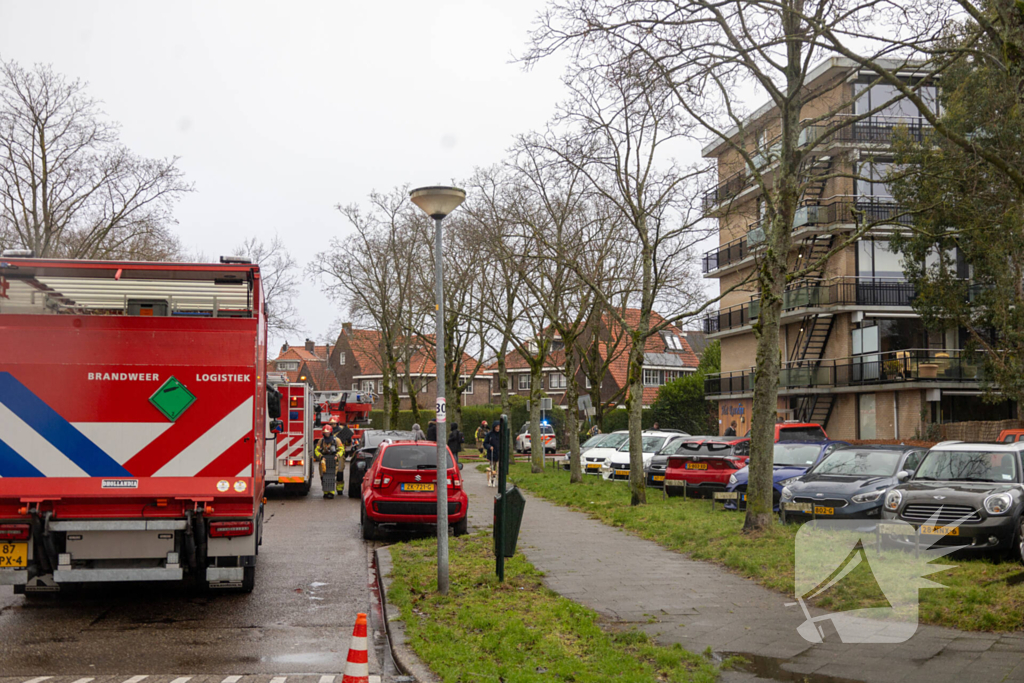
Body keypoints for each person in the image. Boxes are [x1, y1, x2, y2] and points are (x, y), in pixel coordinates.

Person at [315, 424, 344, 499]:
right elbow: (316, 450)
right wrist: (321, 456)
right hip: (324, 461)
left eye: (327, 433)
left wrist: (337, 455)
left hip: (333, 460)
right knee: (323, 476)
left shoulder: (336, 440)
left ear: (330, 433)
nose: (326, 435)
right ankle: (325, 491)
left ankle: (331, 492)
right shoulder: (321, 441)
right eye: (325, 433)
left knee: (332, 476)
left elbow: (341, 449)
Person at [484, 421, 502, 487]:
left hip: (499, 453)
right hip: (492, 453)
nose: (498, 428)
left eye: (499, 427)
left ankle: (498, 480)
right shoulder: (490, 434)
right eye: (496, 427)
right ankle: (490, 480)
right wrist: (489, 447)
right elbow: (485, 443)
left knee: (499, 468)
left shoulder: (501, 434)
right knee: (491, 467)